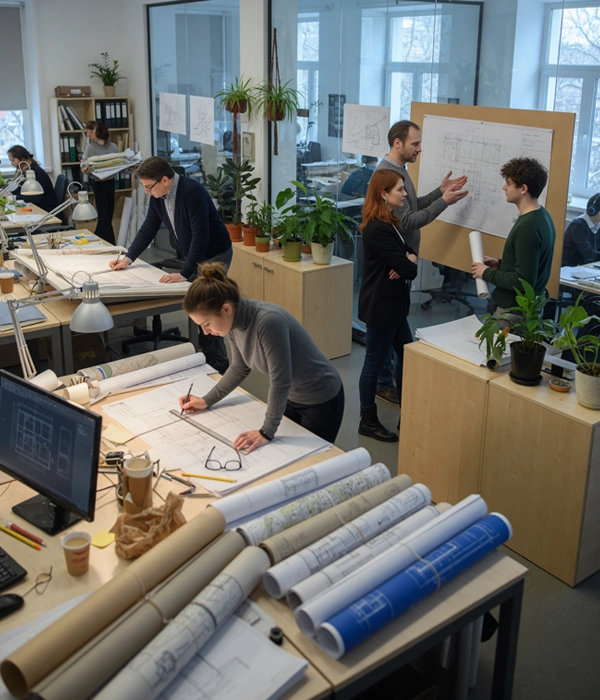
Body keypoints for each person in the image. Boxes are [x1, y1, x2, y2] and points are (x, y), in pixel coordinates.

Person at [179, 263, 344, 453]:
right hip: (292, 396)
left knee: (311, 458)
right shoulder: (232, 324)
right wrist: (207, 400)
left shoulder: (268, 322)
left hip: (320, 398)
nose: (205, 332)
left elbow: (281, 380)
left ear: (226, 309)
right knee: (284, 455)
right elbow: (239, 367)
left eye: (206, 324)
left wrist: (266, 432)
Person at [374, 120, 468, 406]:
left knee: (395, 333)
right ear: (397, 143)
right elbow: (409, 221)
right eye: (415, 143)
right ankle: (382, 383)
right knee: (387, 335)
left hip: (404, 261)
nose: (419, 148)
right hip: (397, 263)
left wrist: (440, 192)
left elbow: (413, 206)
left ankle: (386, 381)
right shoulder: (387, 174)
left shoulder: (399, 170)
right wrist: (444, 203)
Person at [109, 156, 232, 374]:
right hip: (196, 253)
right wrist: (128, 258)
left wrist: (184, 273)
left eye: (148, 187)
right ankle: (208, 355)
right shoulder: (159, 196)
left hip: (215, 253)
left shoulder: (191, 192)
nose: (146, 191)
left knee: (208, 306)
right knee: (201, 307)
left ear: (165, 180)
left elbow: (201, 237)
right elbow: (148, 228)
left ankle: (218, 364)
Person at [357, 169, 418, 442]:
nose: (404, 194)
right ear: (383, 194)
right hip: (382, 308)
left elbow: (409, 256)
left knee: (406, 354)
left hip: (394, 307)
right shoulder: (378, 229)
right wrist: (406, 262)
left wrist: (407, 259)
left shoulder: (391, 222)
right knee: (373, 364)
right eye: (399, 190)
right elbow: (409, 268)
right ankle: (367, 420)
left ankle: (408, 410)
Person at [471, 157, 556, 311]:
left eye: (508, 183)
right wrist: (501, 264)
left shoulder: (528, 227)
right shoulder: (542, 216)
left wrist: (486, 273)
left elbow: (523, 281)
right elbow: (529, 266)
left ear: (523, 189)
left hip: (515, 310)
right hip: (526, 307)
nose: (504, 187)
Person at [82, 121, 120, 245]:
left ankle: (102, 242)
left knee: (108, 216)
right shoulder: (90, 148)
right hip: (98, 183)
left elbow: (120, 163)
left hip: (110, 182)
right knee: (103, 217)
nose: (88, 135)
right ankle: (109, 244)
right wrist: (87, 169)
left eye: (90, 132)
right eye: (87, 132)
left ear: (99, 132)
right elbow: (83, 165)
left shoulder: (113, 147)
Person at [7, 145, 58, 213]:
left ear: (22, 158)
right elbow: (20, 190)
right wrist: (8, 194)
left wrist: (13, 198)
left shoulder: (36, 173)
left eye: (13, 160)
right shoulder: (26, 171)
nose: (12, 164)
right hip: (37, 208)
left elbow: (33, 197)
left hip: (45, 210)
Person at [562, 193, 600, 267]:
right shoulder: (578, 225)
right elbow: (587, 252)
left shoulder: (598, 225)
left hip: (587, 266)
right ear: (593, 210)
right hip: (571, 268)